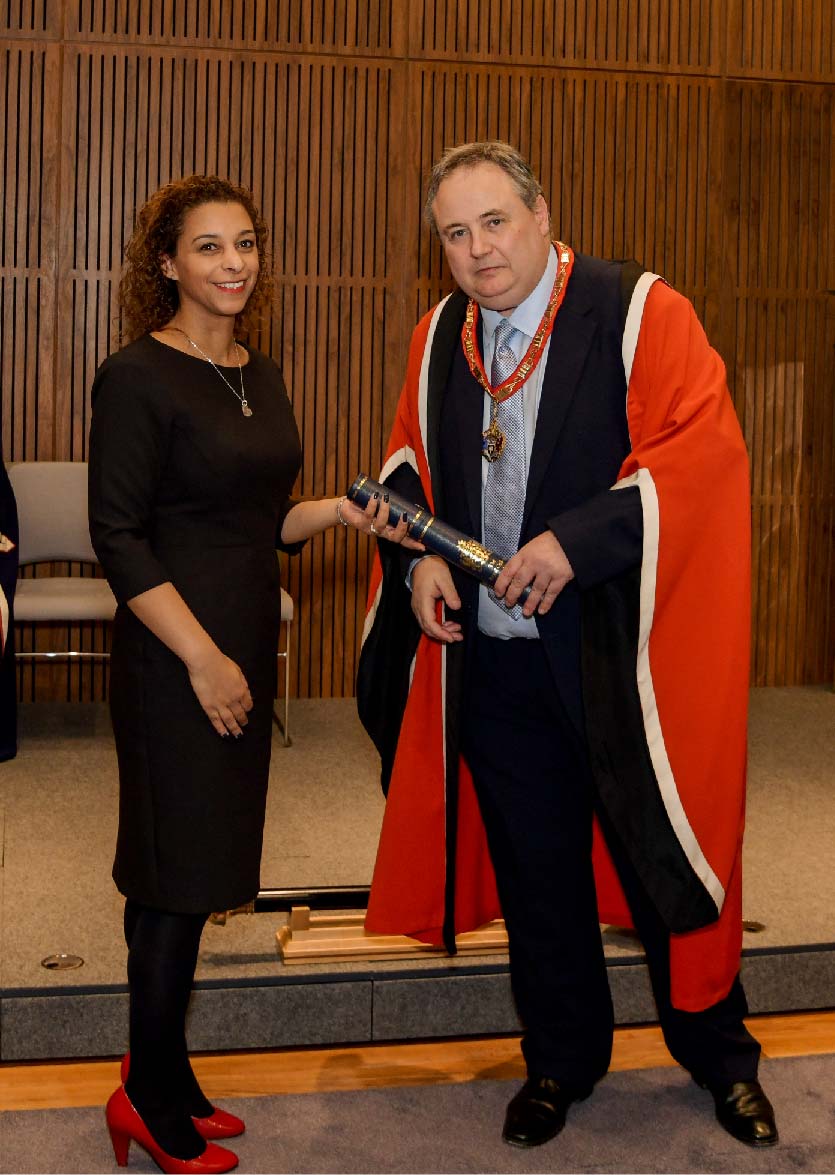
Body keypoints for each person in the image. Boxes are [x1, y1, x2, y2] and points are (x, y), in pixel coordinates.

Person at [356, 141, 779, 1150]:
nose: (476, 249)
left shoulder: (636, 311)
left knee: (659, 862)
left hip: (615, 659)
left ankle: (719, 1055)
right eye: (454, 233)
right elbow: (406, 454)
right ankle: (560, 1058)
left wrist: (570, 541)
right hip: (498, 659)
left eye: (493, 221)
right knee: (537, 872)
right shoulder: (440, 333)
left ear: (542, 213)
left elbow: (700, 455)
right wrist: (418, 554)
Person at [88, 174, 403, 1175]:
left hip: (236, 648)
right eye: (210, 246)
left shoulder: (256, 373)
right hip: (175, 652)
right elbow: (120, 539)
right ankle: (146, 1097)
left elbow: (265, 517)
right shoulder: (136, 375)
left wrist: (340, 513)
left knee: (199, 867)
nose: (234, 262)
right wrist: (205, 656)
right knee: (174, 875)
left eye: (247, 243)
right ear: (168, 264)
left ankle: (164, 1074)